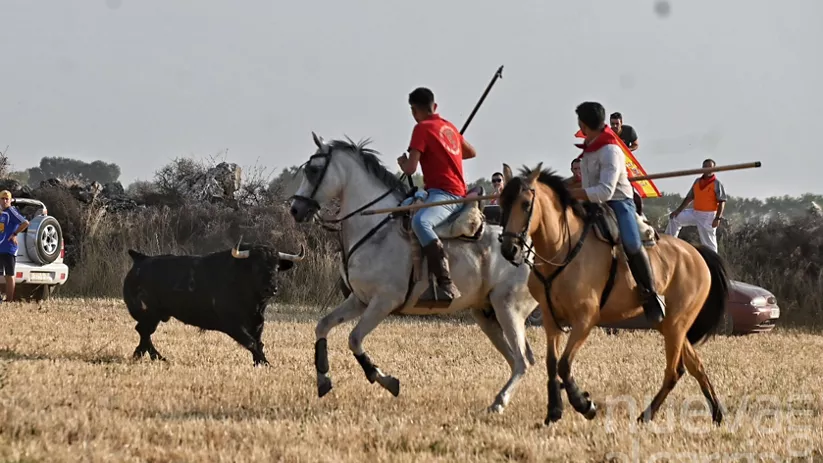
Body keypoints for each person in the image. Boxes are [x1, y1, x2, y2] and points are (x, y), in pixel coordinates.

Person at [568, 102, 665, 324]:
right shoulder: (589, 148)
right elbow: (586, 184)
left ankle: (650, 295)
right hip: (592, 203)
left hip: (618, 203)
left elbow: (605, 191)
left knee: (631, 242)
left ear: (583, 124)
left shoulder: (611, 150)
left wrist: (576, 194)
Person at [397, 87, 477, 301]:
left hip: (447, 194)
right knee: (400, 209)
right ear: (435, 106)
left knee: (421, 223)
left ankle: (445, 282)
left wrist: (403, 163)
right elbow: (471, 152)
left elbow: (411, 169)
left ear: (414, 111)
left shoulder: (421, 129)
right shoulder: (448, 127)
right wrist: (446, 148)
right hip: (441, 191)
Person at [664, 159, 727, 253]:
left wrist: (717, 218)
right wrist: (678, 211)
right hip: (695, 212)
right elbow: (689, 198)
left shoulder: (716, 183)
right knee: (675, 218)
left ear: (714, 169)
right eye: (705, 167)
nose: (707, 169)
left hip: (708, 216)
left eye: (709, 167)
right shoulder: (697, 181)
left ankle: (713, 263)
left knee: (709, 244)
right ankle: (668, 243)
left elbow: (722, 201)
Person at [0, 190, 30, 302]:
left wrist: (15, 234)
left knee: (9, 275)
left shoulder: (11, 211)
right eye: (2, 199)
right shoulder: (2, 213)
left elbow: (25, 223)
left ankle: (9, 300)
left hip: (9, 249)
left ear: (10, 200)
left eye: (7, 199)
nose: (4, 201)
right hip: (1, 248)